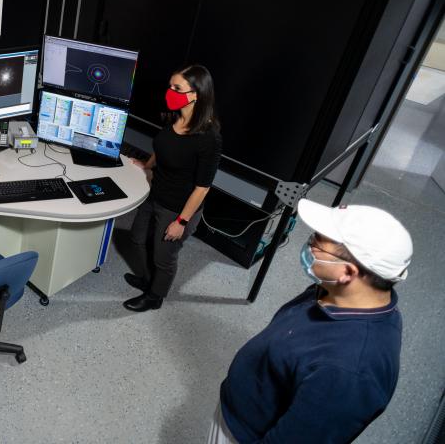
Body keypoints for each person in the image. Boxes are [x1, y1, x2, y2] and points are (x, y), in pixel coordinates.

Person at [211, 200, 412, 444]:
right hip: (238, 410)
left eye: (317, 243)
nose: (308, 245)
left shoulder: (351, 372)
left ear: (347, 272)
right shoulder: (334, 290)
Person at [122, 64, 222, 312]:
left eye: (177, 88)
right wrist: (148, 164)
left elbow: (202, 188)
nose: (170, 92)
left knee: (163, 256)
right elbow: (162, 146)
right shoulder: (174, 117)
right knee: (136, 239)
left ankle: (155, 297)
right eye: (170, 86)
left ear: (196, 94)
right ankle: (148, 280)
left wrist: (182, 221)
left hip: (178, 207)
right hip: (155, 194)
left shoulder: (209, 138)